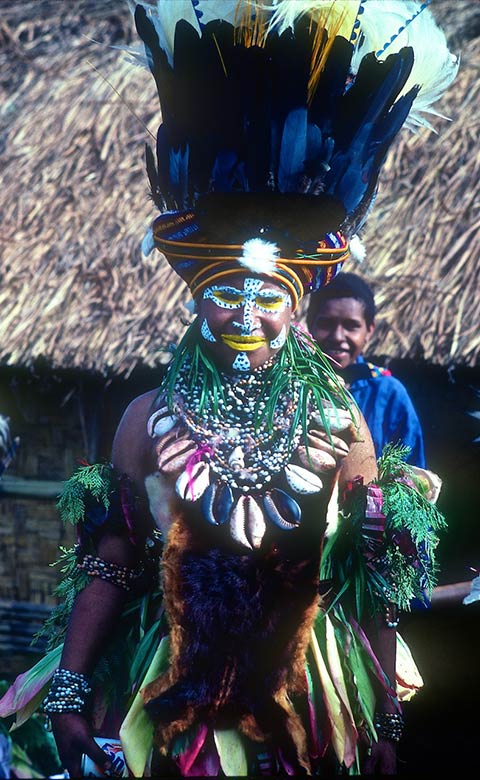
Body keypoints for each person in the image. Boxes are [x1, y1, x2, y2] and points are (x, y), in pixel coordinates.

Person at [0, 1, 457, 776]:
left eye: (267, 295)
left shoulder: (341, 416)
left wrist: (384, 719)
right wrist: (72, 692)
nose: (247, 312)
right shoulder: (149, 418)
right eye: (226, 293)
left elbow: (371, 575)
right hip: (166, 701)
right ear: (195, 299)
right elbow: (112, 564)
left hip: (303, 703)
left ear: (297, 302)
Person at [307, 272, 426, 467]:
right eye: (326, 324)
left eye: (351, 326)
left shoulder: (388, 393)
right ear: (311, 324)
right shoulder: (291, 384)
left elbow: (413, 476)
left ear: (369, 330)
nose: (338, 336)